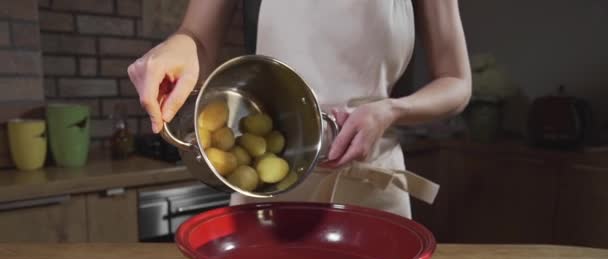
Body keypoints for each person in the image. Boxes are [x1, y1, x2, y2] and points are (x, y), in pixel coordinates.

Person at [128, 0, 471, 219]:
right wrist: (178, 48)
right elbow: (196, 37)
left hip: (373, 187)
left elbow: (456, 81)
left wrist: (392, 110)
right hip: (268, 191)